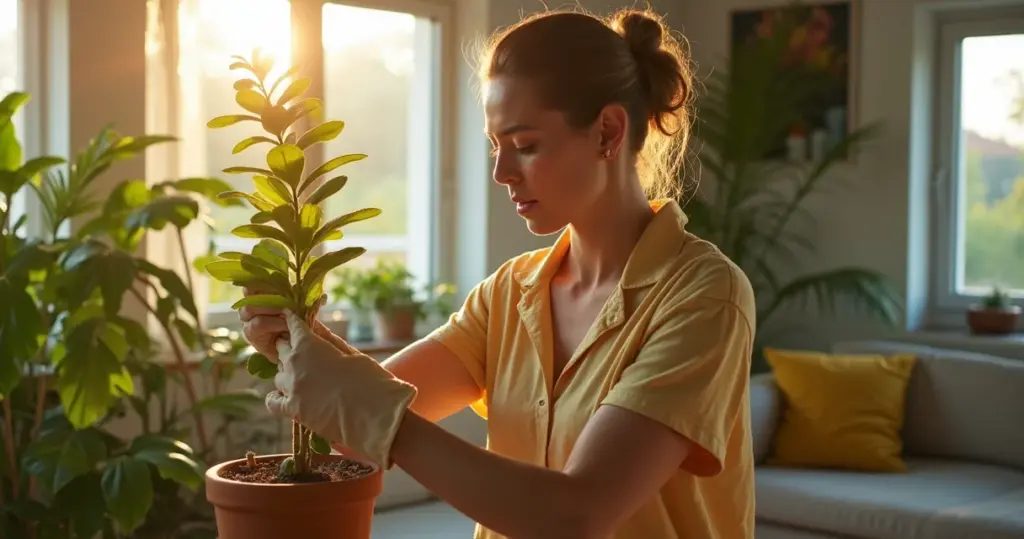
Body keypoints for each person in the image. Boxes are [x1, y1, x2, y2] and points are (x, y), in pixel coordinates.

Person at [241, 7, 756, 539]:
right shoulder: (511, 292)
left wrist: (372, 415)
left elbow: (576, 515)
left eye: (525, 145)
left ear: (607, 131)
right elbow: (357, 426)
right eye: (495, 145)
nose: (501, 173)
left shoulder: (705, 295)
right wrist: (295, 336)